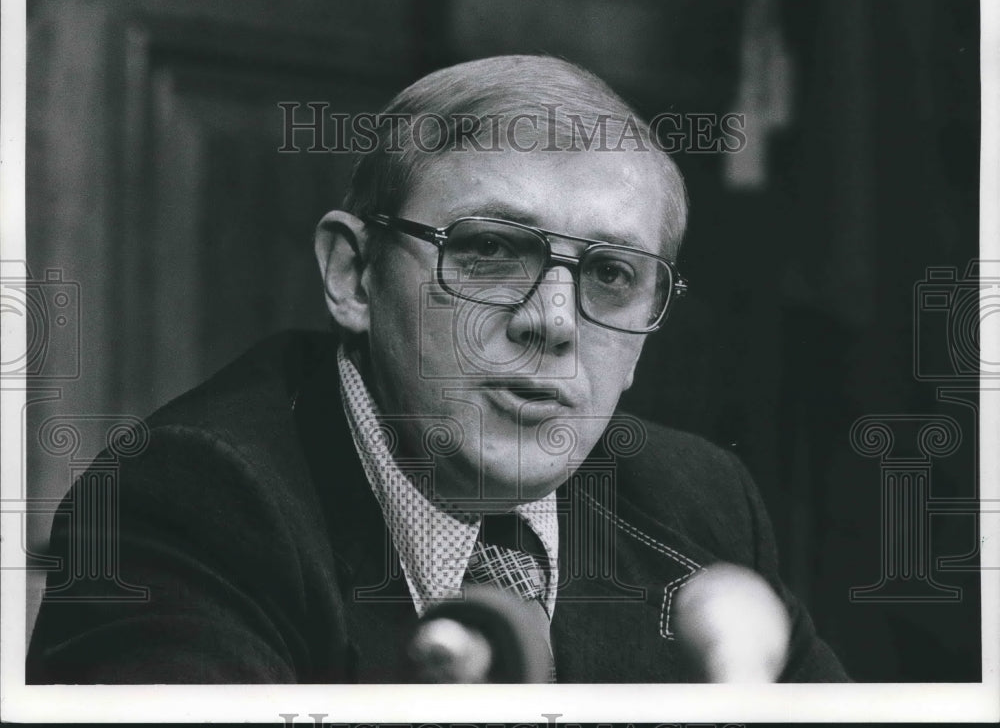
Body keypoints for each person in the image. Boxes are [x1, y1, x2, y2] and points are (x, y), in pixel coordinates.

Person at [27, 55, 848, 683]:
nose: (554, 322)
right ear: (354, 275)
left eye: (609, 275)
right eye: (490, 250)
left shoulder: (699, 505)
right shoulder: (191, 504)